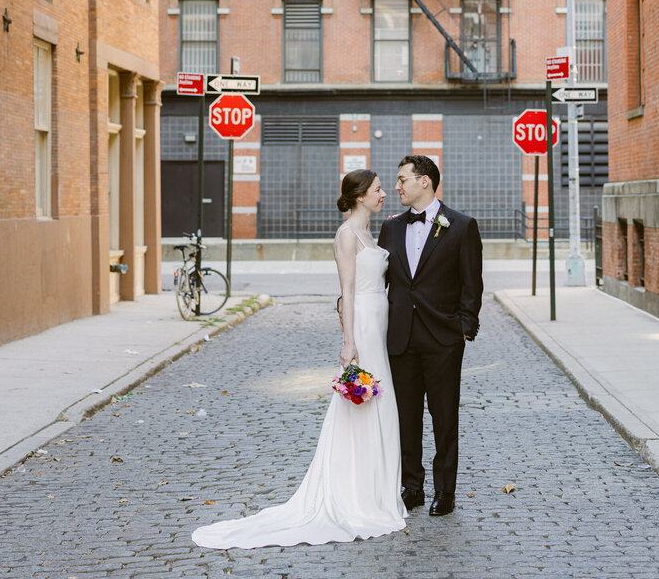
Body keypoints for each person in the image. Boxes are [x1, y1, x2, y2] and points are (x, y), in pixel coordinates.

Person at [191, 169, 406, 550]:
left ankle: (378, 490)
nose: (384, 193)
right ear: (359, 196)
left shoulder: (369, 232)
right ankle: (357, 493)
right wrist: (348, 340)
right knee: (364, 404)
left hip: (379, 321)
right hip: (364, 329)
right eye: (377, 189)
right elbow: (348, 291)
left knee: (381, 406)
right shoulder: (345, 236)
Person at [378, 155, 483, 518]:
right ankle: (412, 487)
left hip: (442, 340)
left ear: (424, 182)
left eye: (402, 179)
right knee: (406, 417)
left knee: (444, 417)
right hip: (401, 340)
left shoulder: (461, 226)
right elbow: (384, 285)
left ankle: (445, 491)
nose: (396, 186)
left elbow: (473, 284)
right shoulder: (390, 229)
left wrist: (463, 328)